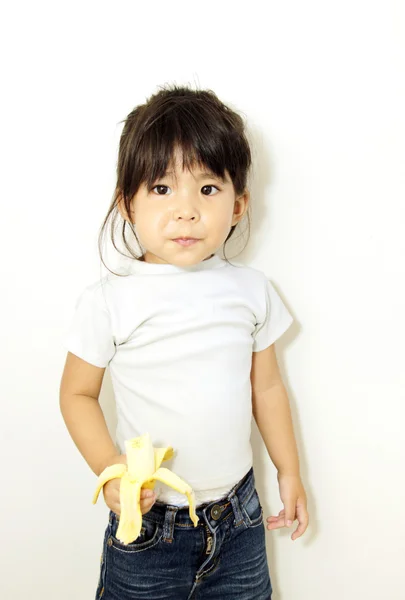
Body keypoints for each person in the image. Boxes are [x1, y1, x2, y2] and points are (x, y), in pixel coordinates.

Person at [59, 84, 309, 600]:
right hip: (149, 527)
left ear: (239, 205)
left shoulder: (251, 291)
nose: (186, 211)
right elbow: (76, 394)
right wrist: (111, 471)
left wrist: (289, 470)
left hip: (239, 520)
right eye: (162, 189)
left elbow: (266, 390)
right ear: (128, 203)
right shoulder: (109, 300)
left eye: (208, 190)